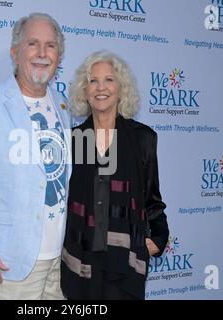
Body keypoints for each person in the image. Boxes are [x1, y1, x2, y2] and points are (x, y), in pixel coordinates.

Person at [0, 13, 71, 300]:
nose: (43, 53)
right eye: (33, 44)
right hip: (15, 259)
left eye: (51, 46)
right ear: (15, 52)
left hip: (60, 258)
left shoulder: (63, 105)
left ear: (59, 56)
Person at [61, 51, 169, 300]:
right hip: (81, 260)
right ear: (84, 90)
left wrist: (159, 237)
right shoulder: (72, 140)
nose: (101, 88)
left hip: (125, 262)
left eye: (109, 80)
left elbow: (152, 197)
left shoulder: (143, 139)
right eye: (93, 80)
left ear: (121, 88)